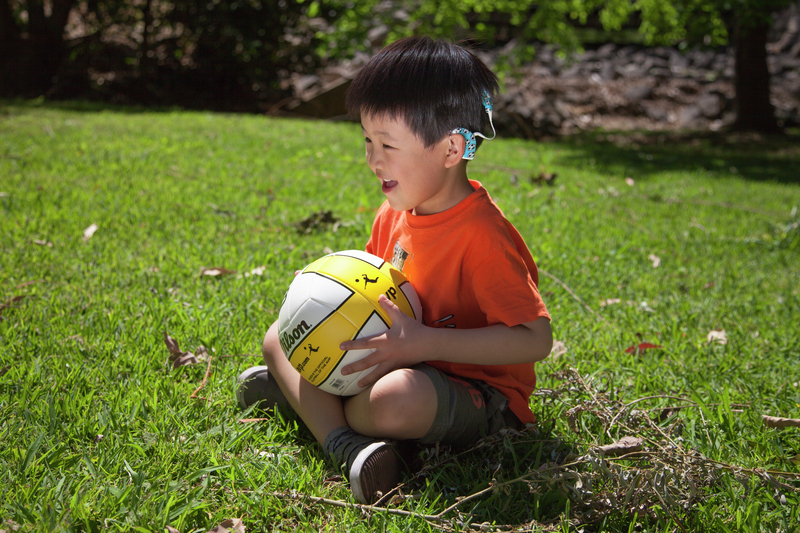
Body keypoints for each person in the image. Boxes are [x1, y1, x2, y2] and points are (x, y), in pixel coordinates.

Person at [236, 36, 552, 505]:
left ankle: (317, 406)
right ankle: (346, 445)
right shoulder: (393, 214)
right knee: (281, 334)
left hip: (482, 393)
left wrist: (425, 342)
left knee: (393, 400)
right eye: (367, 139)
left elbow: (535, 339)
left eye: (387, 144)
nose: (372, 158)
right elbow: (373, 297)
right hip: (408, 360)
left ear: (449, 150)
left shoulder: (483, 236)